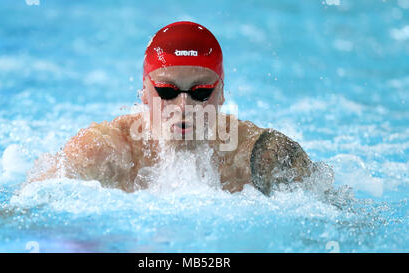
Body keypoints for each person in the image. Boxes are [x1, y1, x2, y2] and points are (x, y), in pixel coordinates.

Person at [27, 21, 313, 196]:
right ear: (143, 93)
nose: (184, 105)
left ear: (222, 92)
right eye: (167, 91)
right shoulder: (102, 152)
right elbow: (24, 215)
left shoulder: (260, 156)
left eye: (201, 92)